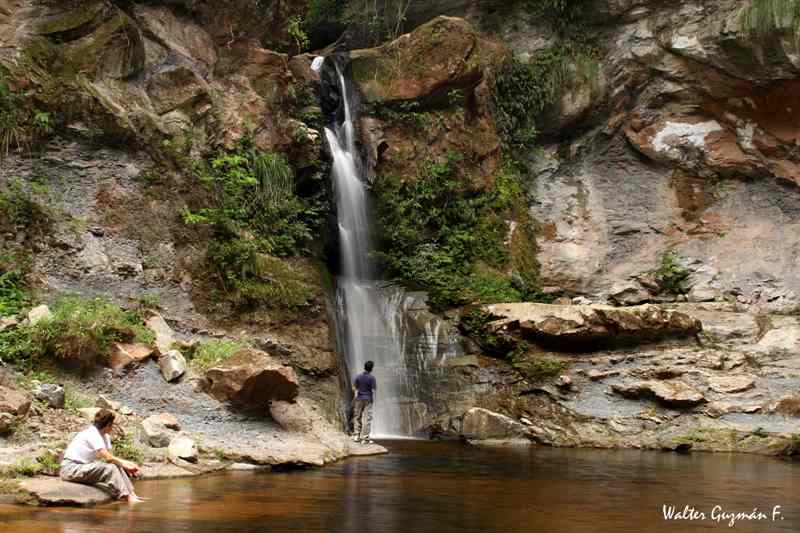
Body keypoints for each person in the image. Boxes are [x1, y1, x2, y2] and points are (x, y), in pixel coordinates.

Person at [60, 408, 144, 504]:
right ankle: (127, 497)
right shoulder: (92, 433)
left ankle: (131, 494)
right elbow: (108, 458)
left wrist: (129, 464)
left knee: (115, 465)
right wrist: (126, 465)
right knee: (111, 468)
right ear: (108, 424)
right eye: (112, 424)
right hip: (70, 469)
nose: (113, 426)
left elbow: (111, 459)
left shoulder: (105, 436)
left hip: (82, 467)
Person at [352, 360, 376, 444]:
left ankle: (356, 436)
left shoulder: (358, 376)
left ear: (364, 367)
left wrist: (355, 396)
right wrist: (372, 399)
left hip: (359, 398)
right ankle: (365, 438)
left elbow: (354, 387)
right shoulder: (372, 378)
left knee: (357, 416)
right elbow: (373, 390)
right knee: (367, 418)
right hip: (368, 399)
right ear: (371, 368)